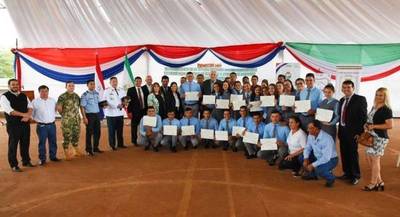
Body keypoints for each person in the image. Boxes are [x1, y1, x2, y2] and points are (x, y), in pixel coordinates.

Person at [338, 80, 367, 185]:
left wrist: (359, 133)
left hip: (353, 132)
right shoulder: (341, 100)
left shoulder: (360, 99)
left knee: (353, 154)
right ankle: (347, 173)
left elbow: (363, 117)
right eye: (344, 87)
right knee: (344, 153)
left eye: (348, 87)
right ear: (342, 89)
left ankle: (355, 175)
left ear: (353, 88)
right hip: (342, 131)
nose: (346, 89)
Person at [1, 79, 34, 171]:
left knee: (25, 143)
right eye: (13, 84)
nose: (15, 86)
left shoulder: (23, 95)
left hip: (25, 123)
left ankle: (26, 161)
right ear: (9, 86)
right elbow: (10, 111)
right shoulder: (4, 97)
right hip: (13, 125)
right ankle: (14, 165)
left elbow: (30, 107)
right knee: (13, 145)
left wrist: (28, 116)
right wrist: (25, 115)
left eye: (16, 84)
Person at [363, 87, 392, 191]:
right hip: (371, 136)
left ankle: (373, 183)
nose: (378, 97)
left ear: (385, 97)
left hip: (380, 137)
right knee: (369, 158)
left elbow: (389, 125)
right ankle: (380, 182)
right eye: (377, 94)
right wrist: (366, 125)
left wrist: (374, 126)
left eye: (381, 95)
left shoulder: (386, 109)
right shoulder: (374, 106)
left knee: (375, 160)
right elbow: (370, 119)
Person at [302, 120, 338, 188]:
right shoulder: (310, 135)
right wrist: (306, 158)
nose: (307, 130)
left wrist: (312, 165)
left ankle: (331, 178)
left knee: (319, 169)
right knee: (301, 157)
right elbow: (307, 148)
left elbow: (326, 158)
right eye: (308, 128)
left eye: (310, 128)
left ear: (317, 129)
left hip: (331, 159)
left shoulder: (327, 139)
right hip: (317, 157)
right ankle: (314, 175)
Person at [32, 85, 60, 165]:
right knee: (42, 143)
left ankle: (53, 156)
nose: (44, 93)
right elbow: (32, 114)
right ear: (39, 92)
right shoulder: (35, 102)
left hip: (52, 125)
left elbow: (55, 111)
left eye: (46, 91)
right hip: (42, 126)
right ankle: (42, 159)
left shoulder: (52, 100)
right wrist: (38, 121)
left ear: (48, 92)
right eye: (42, 91)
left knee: (53, 142)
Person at [57, 81, 82, 160]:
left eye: (72, 86)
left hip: (76, 119)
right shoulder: (62, 96)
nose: (71, 87)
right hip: (67, 120)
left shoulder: (76, 96)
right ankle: (66, 150)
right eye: (69, 86)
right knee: (67, 135)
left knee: (76, 134)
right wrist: (65, 116)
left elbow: (79, 107)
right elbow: (59, 108)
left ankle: (75, 149)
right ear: (66, 87)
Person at [103, 77, 127, 150]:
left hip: (120, 113)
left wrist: (126, 103)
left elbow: (125, 99)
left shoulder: (121, 90)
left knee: (120, 130)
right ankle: (112, 145)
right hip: (111, 114)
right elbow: (105, 102)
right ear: (110, 83)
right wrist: (116, 105)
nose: (115, 83)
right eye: (113, 81)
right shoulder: (106, 91)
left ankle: (120, 144)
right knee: (112, 131)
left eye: (116, 81)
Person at [80, 80, 102, 156]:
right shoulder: (85, 95)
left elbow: (100, 104)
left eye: (93, 84)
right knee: (89, 133)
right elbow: (82, 107)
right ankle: (88, 149)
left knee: (98, 132)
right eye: (91, 84)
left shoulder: (97, 93)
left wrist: (105, 105)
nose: (93, 85)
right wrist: (84, 117)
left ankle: (95, 147)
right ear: (87, 85)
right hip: (89, 115)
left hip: (97, 115)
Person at [127, 76, 147, 146]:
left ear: (141, 82)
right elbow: (128, 102)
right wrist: (129, 112)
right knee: (134, 127)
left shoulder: (144, 89)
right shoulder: (130, 90)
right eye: (137, 81)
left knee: (143, 126)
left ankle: (143, 140)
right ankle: (134, 141)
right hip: (134, 112)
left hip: (143, 111)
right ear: (134, 82)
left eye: (140, 81)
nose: (138, 82)